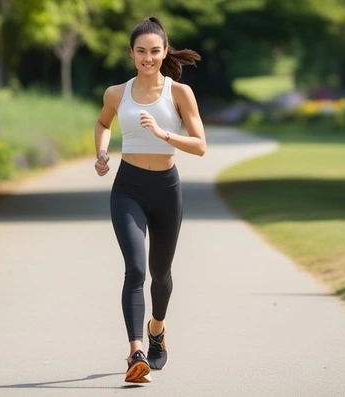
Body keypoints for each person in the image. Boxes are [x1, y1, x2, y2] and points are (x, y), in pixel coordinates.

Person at [93, 16, 206, 383]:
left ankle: (157, 328)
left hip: (166, 189)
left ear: (164, 52)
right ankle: (135, 352)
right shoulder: (116, 93)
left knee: (160, 274)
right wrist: (101, 152)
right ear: (131, 53)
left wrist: (162, 134)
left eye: (154, 51)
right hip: (128, 188)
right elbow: (103, 123)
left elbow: (201, 145)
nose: (148, 57)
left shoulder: (179, 93)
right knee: (136, 269)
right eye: (141, 51)